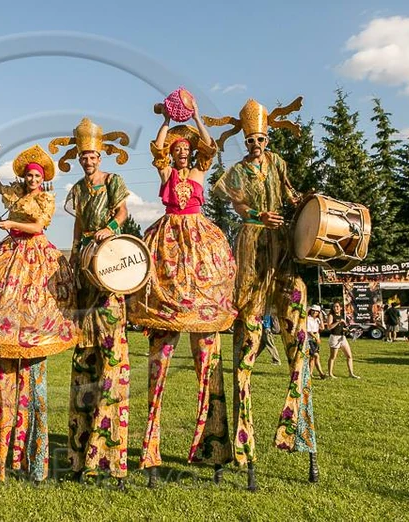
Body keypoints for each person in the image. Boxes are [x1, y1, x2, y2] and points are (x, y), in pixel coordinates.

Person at [207, 96, 319, 489]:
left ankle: (298, 431)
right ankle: (242, 447)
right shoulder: (238, 172)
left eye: (260, 138)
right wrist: (258, 215)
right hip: (253, 251)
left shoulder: (279, 164)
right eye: (251, 139)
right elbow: (237, 208)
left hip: (283, 254)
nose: (256, 144)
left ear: (268, 138)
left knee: (299, 346)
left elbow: (289, 195)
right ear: (246, 141)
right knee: (245, 354)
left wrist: (307, 202)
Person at [126, 98, 237, 487]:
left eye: (186, 151)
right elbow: (156, 148)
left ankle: (215, 448)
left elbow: (210, 147)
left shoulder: (201, 169)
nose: (182, 154)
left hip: (200, 246)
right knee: (160, 360)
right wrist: (167, 123)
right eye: (178, 151)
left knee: (209, 362)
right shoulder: (166, 171)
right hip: (168, 247)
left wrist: (193, 120)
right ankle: (150, 450)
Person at [0, 144, 80, 492]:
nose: (31, 180)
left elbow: (39, 225)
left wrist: (11, 223)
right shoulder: (13, 190)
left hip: (34, 255)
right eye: (27, 175)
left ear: (41, 180)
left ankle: (33, 456)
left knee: (34, 314)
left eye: (35, 176)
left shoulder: (45, 199)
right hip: (9, 252)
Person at [49, 118, 132, 488]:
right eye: (83, 156)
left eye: (93, 155)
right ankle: (81, 453)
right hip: (85, 268)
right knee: (85, 358)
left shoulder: (113, 182)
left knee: (112, 360)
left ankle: (108, 453)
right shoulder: (78, 189)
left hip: (110, 265)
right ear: (79, 157)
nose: (88, 160)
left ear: (101, 155)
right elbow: (78, 224)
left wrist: (110, 230)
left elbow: (122, 214)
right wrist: (72, 257)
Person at [326, 301, 361, 379]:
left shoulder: (341, 316)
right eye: (334, 306)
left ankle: (351, 373)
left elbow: (342, 328)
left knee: (349, 356)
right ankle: (330, 374)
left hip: (342, 338)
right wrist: (338, 322)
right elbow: (329, 327)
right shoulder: (331, 315)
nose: (336, 308)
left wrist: (349, 330)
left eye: (337, 306)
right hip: (334, 337)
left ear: (341, 308)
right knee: (333, 357)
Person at [306, 305, 327, 379]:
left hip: (315, 340)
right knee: (316, 356)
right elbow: (309, 331)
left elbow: (322, 328)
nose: (314, 312)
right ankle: (321, 373)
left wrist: (321, 318)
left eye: (316, 311)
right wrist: (316, 338)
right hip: (309, 340)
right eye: (313, 310)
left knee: (313, 358)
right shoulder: (308, 319)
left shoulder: (317, 320)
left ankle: (310, 373)